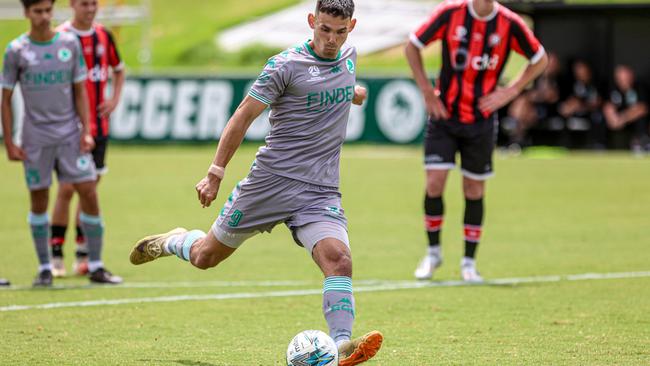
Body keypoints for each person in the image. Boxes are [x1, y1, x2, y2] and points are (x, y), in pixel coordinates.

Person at [129, 1, 382, 364]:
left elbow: (342, 83)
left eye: (340, 32)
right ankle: (172, 241)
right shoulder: (285, 65)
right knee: (205, 257)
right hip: (269, 184)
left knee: (339, 260)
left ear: (351, 27)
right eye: (324, 29)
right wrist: (215, 173)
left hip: (319, 191)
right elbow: (242, 116)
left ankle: (342, 345)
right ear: (312, 21)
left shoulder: (349, 57)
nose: (331, 39)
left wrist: (354, 93)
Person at [405, 0, 548, 281]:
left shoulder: (509, 22)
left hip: (481, 120)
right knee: (434, 182)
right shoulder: (450, 13)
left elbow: (540, 58)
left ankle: (469, 262)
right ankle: (433, 253)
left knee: (474, 189)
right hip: (444, 115)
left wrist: (512, 90)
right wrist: (426, 90)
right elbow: (412, 45)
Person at [1, 0, 122, 286]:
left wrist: (86, 130)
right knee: (40, 199)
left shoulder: (68, 44)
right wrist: (9, 140)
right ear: (26, 13)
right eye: (37, 12)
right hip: (35, 138)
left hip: (69, 134)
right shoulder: (16, 50)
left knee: (89, 191)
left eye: (47, 11)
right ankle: (46, 267)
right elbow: (5, 99)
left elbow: (80, 90)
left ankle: (95, 264)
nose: (44, 17)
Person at [47, 0, 125, 277]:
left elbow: (119, 68)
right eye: (84, 4)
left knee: (90, 190)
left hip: (99, 128)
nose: (90, 9)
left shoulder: (104, 35)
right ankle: (55, 255)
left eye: (93, 3)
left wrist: (114, 99)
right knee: (68, 189)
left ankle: (83, 255)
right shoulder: (60, 37)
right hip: (70, 130)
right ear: (72, 5)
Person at [503, 52, 562, 149]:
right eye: (548, 63)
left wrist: (537, 95)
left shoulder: (561, 78)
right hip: (534, 108)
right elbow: (533, 94)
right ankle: (517, 138)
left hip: (552, 109)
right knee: (522, 106)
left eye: (553, 63)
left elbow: (552, 97)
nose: (550, 66)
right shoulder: (537, 77)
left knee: (523, 106)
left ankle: (517, 137)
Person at [558, 59, 605, 147]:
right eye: (576, 70)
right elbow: (572, 100)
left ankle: (597, 145)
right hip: (578, 113)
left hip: (592, 113)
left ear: (587, 69)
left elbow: (598, 102)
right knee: (565, 114)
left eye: (580, 69)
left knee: (597, 117)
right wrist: (568, 107)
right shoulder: (575, 84)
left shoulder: (596, 82)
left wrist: (581, 105)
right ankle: (566, 145)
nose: (578, 73)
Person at [603, 65, 649, 152]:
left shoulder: (640, 87)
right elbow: (608, 107)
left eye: (626, 78)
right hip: (619, 122)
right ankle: (600, 146)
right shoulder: (613, 89)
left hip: (631, 121)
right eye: (621, 79)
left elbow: (642, 108)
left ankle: (641, 144)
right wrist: (612, 119)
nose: (624, 81)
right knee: (599, 118)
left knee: (642, 119)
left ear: (631, 76)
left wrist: (623, 118)